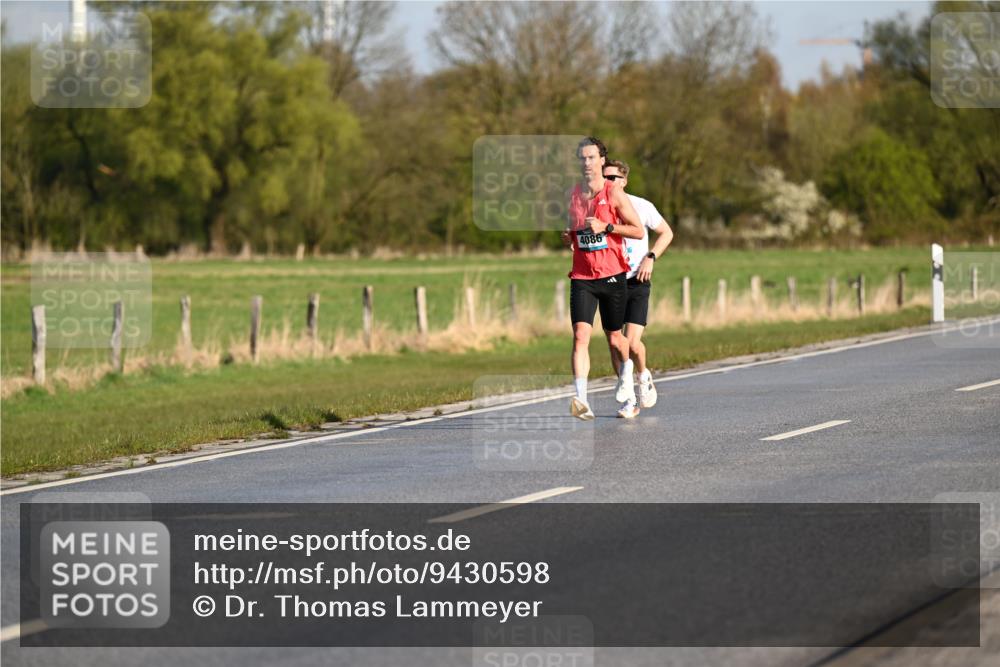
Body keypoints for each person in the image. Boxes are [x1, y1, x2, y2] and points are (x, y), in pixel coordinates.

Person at [562, 137, 646, 420]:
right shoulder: (573, 194)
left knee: (614, 339)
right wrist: (568, 236)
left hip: (612, 275)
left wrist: (607, 226)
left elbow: (637, 231)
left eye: (591, 158)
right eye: (581, 159)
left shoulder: (613, 193)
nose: (586, 163)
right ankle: (581, 400)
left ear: (601, 160)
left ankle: (627, 376)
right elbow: (574, 232)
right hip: (582, 276)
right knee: (580, 336)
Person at [602, 159, 674, 418]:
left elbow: (666, 232)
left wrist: (651, 257)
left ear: (624, 181)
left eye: (612, 177)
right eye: (604, 176)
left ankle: (643, 375)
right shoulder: (597, 207)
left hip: (636, 279)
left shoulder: (642, 206)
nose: (608, 181)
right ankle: (629, 399)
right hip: (610, 280)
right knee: (614, 343)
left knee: (631, 344)